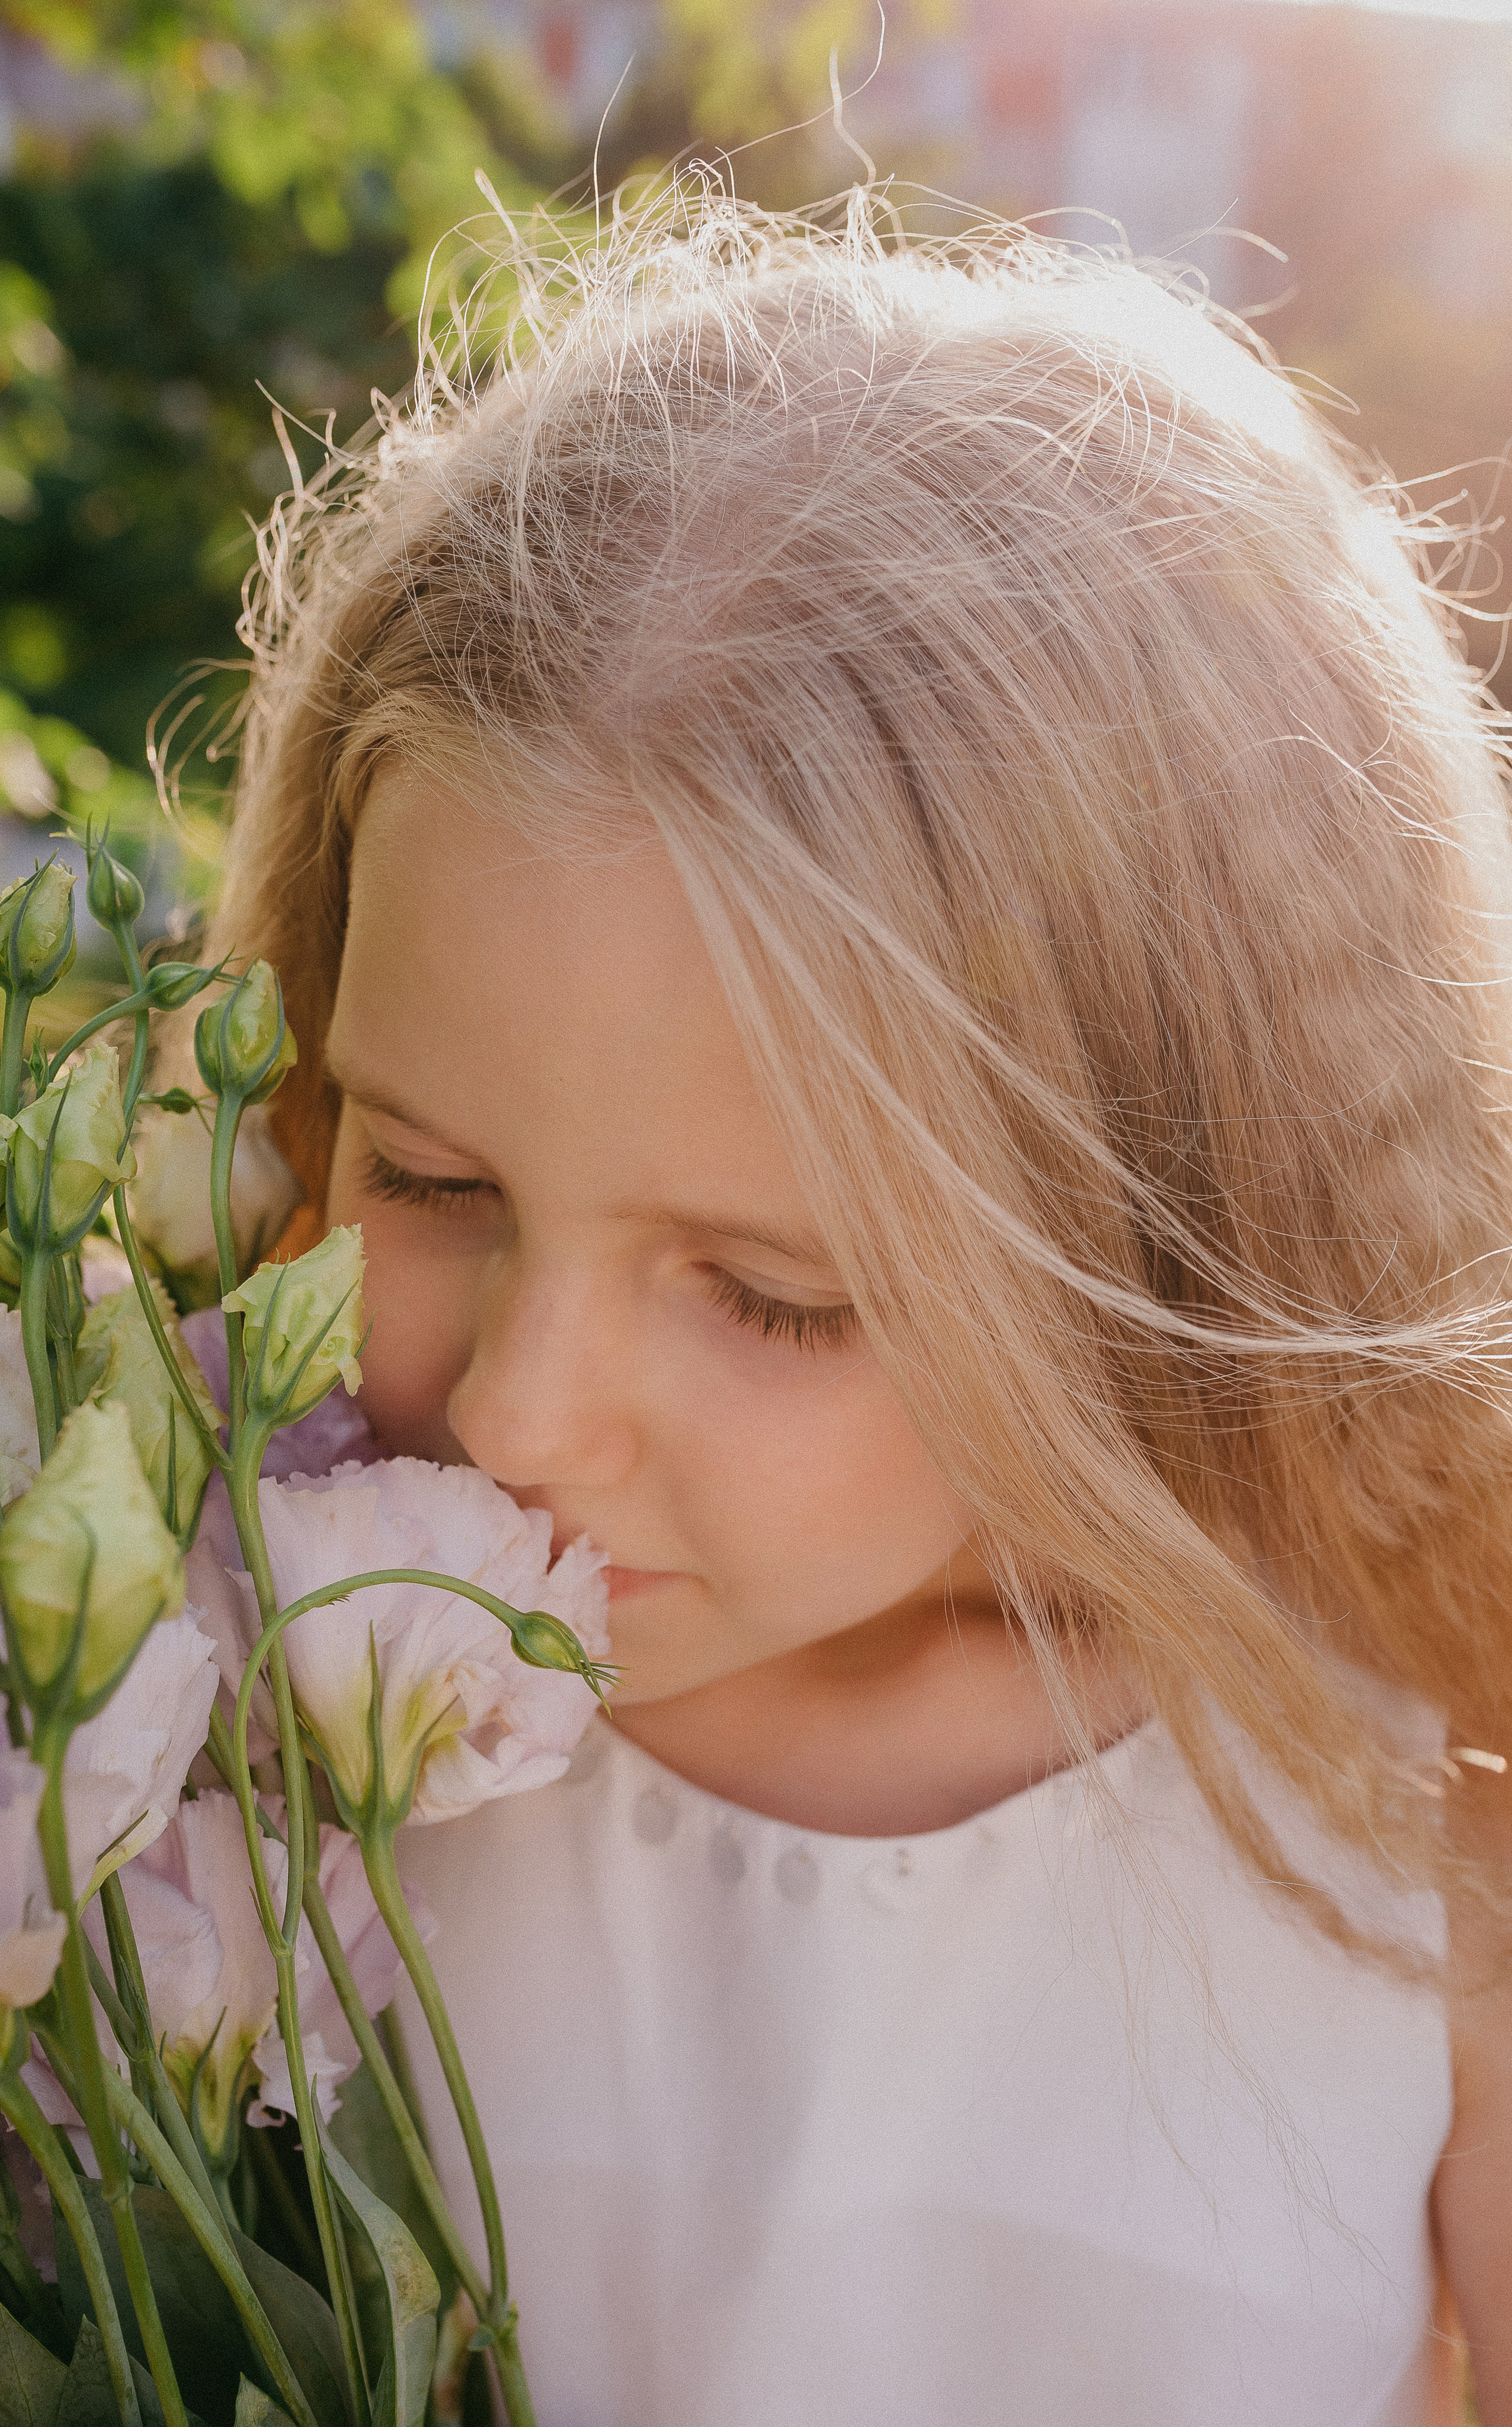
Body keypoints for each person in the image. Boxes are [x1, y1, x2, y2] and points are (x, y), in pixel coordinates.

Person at [205, 190, 1512, 2425]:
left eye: (773, 1297)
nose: (518, 1417)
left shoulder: (1422, 1846)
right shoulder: (204, 1757)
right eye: (424, 1175)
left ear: (1180, 1251)